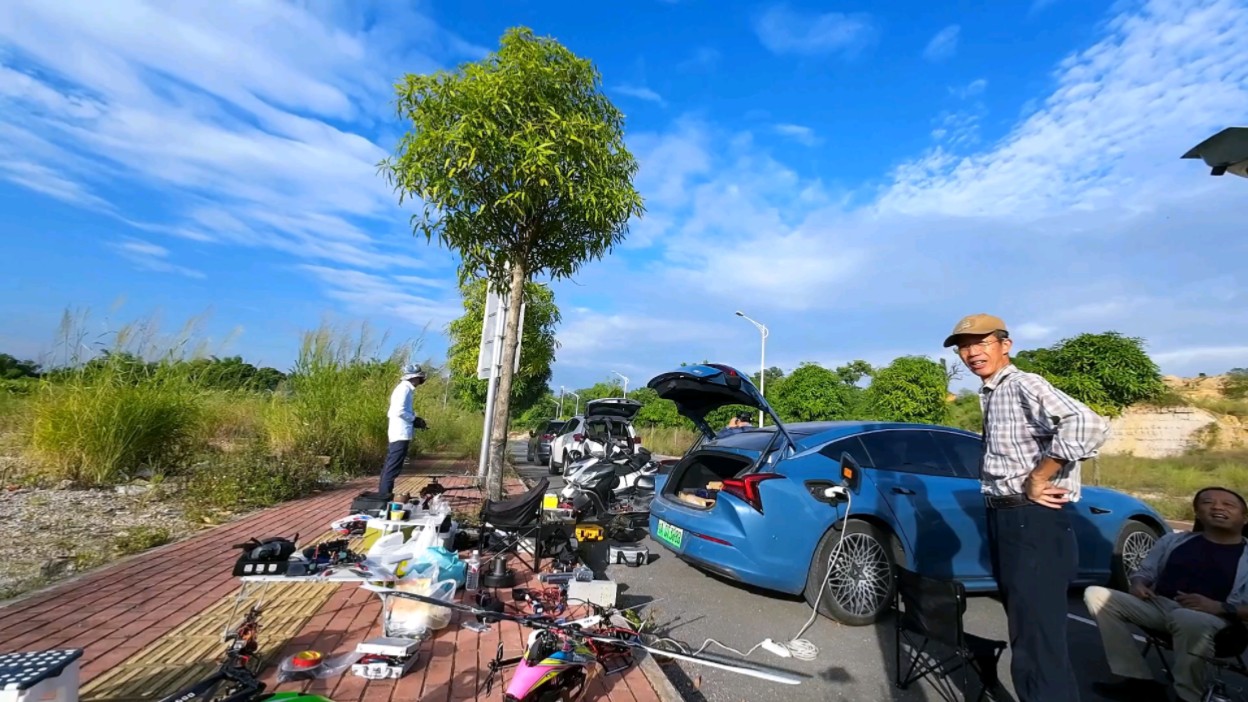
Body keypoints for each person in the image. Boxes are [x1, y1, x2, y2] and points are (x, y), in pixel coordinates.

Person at [944, 313, 1111, 702]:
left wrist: (1040, 476)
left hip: (1032, 519)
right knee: (1027, 629)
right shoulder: (992, 393)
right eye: (964, 347)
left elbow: (1086, 424)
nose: (972, 353)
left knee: (1038, 636)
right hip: (1007, 517)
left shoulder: (1023, 384)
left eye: (981, 343)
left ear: (1006, 344)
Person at [1084, 486, 1248, 702]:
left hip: (1220, 620)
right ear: (1198, 513)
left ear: (1245, 518)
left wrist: (1220, 607)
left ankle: (1188, 696)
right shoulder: (1173, 541)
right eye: (1208, 502)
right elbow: (1144, 573)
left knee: (1187, 617)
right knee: (1096, 594)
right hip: (1159, 607)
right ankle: (1138, 681)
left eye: (1228, 504)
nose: (1217, 506)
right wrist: (1138, 584)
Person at [379, 363, 427, 496]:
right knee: (393, 467)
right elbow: (399, 410)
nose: (420, 380)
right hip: (400, 433)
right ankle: (384, 496)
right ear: (413, 377)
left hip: (400, 432)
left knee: (391, 465)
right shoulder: (404, 389)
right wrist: (414, 419)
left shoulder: (405, 389)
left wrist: (414, 420)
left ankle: (384, 494)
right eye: (418, 377)